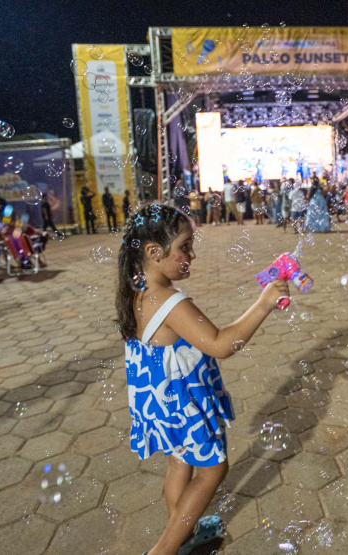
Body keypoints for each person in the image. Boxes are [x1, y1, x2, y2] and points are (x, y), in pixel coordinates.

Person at [116, 204, 288, 555]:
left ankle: (184, 535)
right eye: (185, 246)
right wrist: (264, 303)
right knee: (214, 469)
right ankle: (164, 549)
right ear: (154, 252)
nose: (191, 254)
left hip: (159, 399)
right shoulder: (169, 300)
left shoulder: (139, 289)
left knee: (180, 461)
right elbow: (222, 344)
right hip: (183, 401)